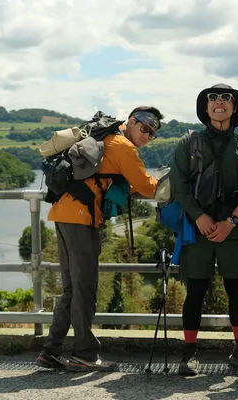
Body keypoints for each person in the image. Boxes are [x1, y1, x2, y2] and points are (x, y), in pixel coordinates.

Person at [36, 106, 165, 371]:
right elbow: (147, 187)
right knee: (83, 289)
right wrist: (172, 186)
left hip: (64, 212)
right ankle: (84, 354)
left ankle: (51, 351)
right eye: (144, 128)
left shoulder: (105, 138)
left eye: (152, 134)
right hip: (82, 219)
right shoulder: (123, 146)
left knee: (72, 289)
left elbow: (106, 176)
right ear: (131, 122)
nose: (146, 136)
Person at [169, 83, 238, 376]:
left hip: (232, 231)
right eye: (213, 98)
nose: (219, 102)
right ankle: (189, 353)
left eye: (226, 98)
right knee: (195, 290)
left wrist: (230, 223)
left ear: (235, 108)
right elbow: (178, 184)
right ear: (206, 107)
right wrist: (199, 217)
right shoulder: (188, 144)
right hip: (197, 230)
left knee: (236, 290)